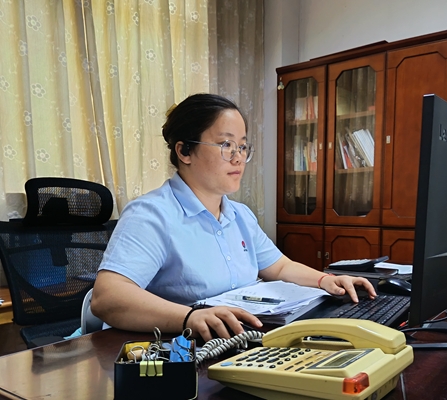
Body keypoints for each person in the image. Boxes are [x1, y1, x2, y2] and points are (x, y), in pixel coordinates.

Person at [91, 93, 377, 342]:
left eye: (242, 146)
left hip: (235, 340)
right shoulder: (152, 215)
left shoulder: (239, 214)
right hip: (173, 352)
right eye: (226, 145)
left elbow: (279, 267)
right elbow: (107, 298)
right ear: (184, 151)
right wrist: (190, 317)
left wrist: (326, 281)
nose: (238, 157)